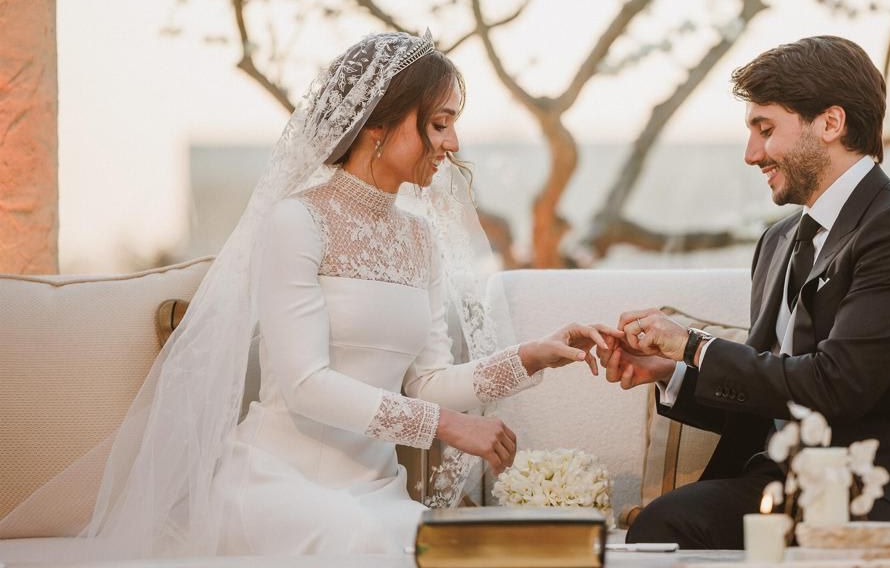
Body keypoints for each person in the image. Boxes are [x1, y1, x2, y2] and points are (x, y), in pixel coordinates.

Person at [7, 31, 604, 559]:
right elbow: (305, 383)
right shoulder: (297, 222)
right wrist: (445, 424)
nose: (452, 144)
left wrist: (531, 356)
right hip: (278, 487)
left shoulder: (419, 240)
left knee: (447, 551)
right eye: (439, 122)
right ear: (378, 122)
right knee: (364, 546)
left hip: (375, 493)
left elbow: (426, 381)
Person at [598, 35, 890, 549]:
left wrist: (693, 344)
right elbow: (769, 392)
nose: (752, 154)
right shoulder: (777, 242)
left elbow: (836, 386)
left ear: (831, 123)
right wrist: (675, 373)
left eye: (765, 129)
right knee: (665, 524)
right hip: (791, 483)